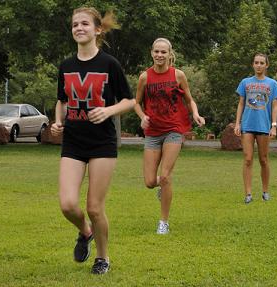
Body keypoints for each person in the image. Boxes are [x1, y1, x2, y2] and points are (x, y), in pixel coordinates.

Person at [51, 7, 135, 274]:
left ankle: (102, 258)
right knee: (67, 205)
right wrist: (58, 121)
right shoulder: (66, 65)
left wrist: (108, 111)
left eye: (84, 24)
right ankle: (84, 231)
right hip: (74, 142)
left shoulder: (110, 64)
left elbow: (130, 101)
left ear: (97, 30)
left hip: (102, 144)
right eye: (75, 24)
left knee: (95, 207)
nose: (79, 28)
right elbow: (61, 100)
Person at [134, 38, 205, 234]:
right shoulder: (144, 77)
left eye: (163, 52)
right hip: (153, 132)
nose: (159, 55)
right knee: (150, 181)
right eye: (156, 51)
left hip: (174, 129)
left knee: (165, 176)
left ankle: (163, 222)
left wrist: (196, 114)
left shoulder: (178, 75)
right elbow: (136, 103)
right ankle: (163, 187)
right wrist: (142, 116)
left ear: (169, 54)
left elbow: (190, 100)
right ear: (151, 52)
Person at [234, 53, 277, 204]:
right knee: (248, 159)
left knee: (263, 160)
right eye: (256, 62)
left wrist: (274, 126)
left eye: (262, 63)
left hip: (263, 126)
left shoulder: (272, 84)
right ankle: (248, 194)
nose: (259, 65)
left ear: (267, 65)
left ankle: (265, 191)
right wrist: (237, 123)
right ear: (253, 64)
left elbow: (274, 105)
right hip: (247, 125)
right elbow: (241, 103)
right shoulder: (245, 82)